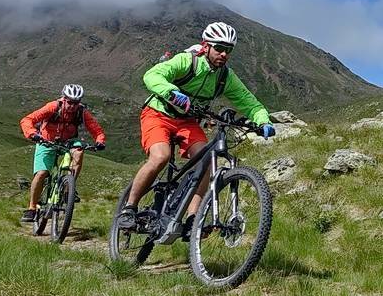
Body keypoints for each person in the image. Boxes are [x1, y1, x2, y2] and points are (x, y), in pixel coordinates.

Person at [117, 21, 275, 231]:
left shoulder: (225, 76)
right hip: (158, 114)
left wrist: (263, 120)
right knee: (160, 157)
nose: (224, 54)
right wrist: (172, 93)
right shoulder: (187, 61)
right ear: (206, 46)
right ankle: (129, 208)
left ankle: (193, 219)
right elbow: (152, 75)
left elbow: (249, 102)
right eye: (219, 48)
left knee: (206, 163)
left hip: (188, 122)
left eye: (228, 50)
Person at [19, 84, 106, 223]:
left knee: (79, 152)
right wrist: (33, 134)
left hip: (68, 142)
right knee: (41, 173)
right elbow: (27, 120)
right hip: (46, 141)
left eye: (76, 103)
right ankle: (32, 208)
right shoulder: (53, 107)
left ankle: (68, 188)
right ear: (63, 99)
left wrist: (100, 141)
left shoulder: (81, 112)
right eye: (70, 102)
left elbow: (96, 130)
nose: (72, 106)